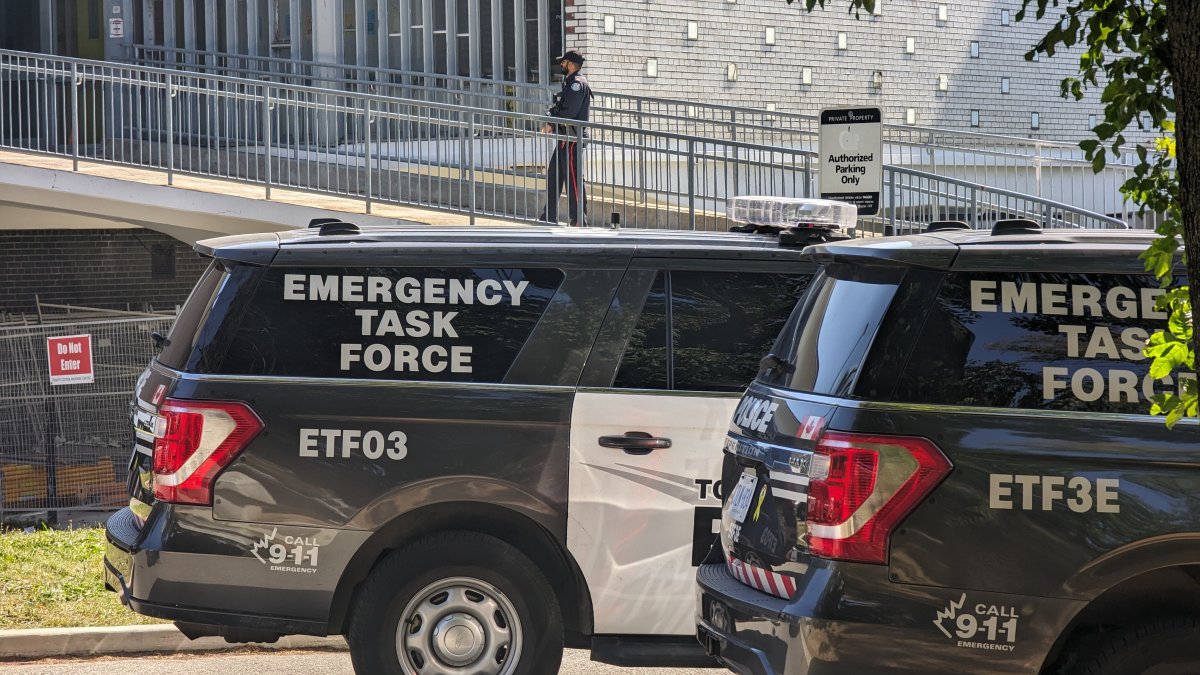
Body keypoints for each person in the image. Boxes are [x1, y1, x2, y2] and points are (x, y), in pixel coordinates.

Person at [539, 49, 593, 226]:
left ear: (570, 64)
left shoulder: (577, 84)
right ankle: (549, 216)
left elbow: (569, 112)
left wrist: (551, 121)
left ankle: (578, 219)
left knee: (573, 180)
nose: (560, 65)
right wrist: (551, 115)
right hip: (565, 136)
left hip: (573, 138)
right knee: (554, 175)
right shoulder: (570, 83)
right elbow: (561, 106)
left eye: (563, 62)